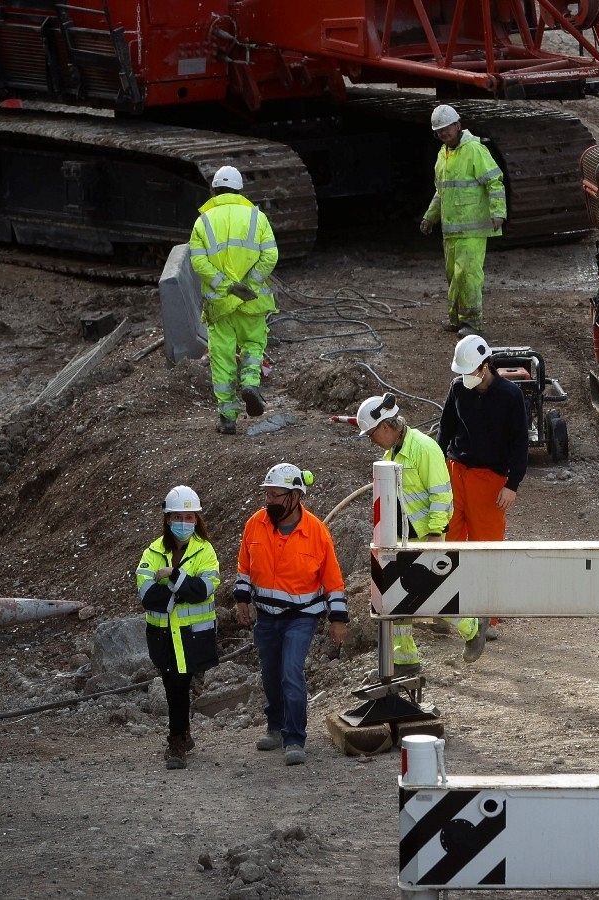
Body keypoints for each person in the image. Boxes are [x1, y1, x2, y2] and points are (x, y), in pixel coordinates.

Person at [357, 393, 488, 666]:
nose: (371, 440)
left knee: (436, 594)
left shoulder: (424, 448)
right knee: (397, 597)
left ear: (386, 427)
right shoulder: (390, 453)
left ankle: (473, 628)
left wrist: (435, 534)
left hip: (427, 535)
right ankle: (405, 659)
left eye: (371, 434)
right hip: (402, 537)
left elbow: (441, 494)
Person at [234, 463, 348, 766]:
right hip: (266, 616)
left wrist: (338, 619)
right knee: (271, 674)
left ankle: (295, 737)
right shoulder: (255, 524)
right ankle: (275, 726)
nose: (269, 501)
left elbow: (333, 581)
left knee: (290, 672)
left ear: (296, 496)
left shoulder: (316, 532)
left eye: (276, 495)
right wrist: (241, 600)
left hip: (302, 617)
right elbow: (244, 568)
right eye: (267, 495)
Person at [439, 336, 529, 639]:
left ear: (484, 366)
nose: (464, 378)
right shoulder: (457, 389)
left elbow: (520, 444)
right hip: (456, 472)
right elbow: (445, 430)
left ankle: (486, 618)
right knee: (448, 539)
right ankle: (448, 610)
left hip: (490, 481)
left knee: (486, 546)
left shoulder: (510, 396)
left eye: (469, 372)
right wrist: (440, 470)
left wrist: (512, 484)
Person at [188, 164, 279, 435]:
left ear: (214, 189)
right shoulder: (256, 217)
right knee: (253, 344)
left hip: (220, 305)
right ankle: (251, 383)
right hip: (251, 302)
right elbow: (271, 256)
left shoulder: (203, 221)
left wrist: (226, 286)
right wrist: (249, 283)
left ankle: (227, 418)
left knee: (223, 358)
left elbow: (198, 262)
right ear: (241, 190)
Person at [135, 485, 221, 770]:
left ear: (196, 520)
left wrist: (172, 575)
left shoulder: (205, 551)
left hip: (191, 636)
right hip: (161, 635)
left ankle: (176, 742)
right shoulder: (152, 552)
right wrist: (182, 588)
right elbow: (148, 596)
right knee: (174, 683)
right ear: (168, 519)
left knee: (179, 684)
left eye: (190, 517)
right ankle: (182, 734)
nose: (184, 523)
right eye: (178, 517)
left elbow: (204, 589)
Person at [420, 104, 507, 337]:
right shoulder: (443, 154)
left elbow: (494, 182)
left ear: (458, 125)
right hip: (451, 230)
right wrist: (430, 216)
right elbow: (442, 191)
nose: (442, 135)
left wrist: (498, 212)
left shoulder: (475, 150)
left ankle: (473, 324)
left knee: (467, 275)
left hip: (473, 229)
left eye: (446, 129)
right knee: (453, 276)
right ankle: (457, 320)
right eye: (438, 132)